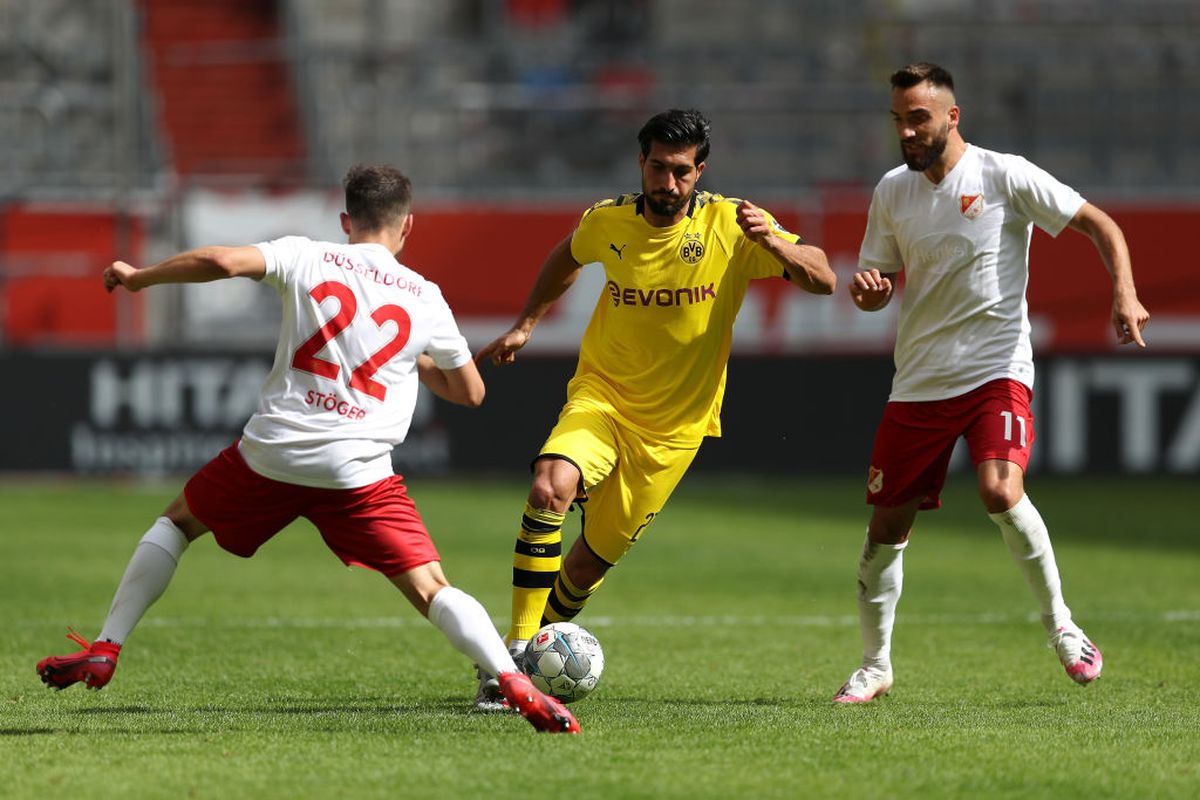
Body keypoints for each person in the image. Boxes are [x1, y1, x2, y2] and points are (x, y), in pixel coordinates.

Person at [36, 164, 579, 734]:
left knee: (176, 524)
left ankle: (107, 646)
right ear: (408, 225)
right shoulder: (424, 296)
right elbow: (471, 392)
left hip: (272, 454)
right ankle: (512, 679)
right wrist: (414, 360)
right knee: (431, 588)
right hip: (357, 472)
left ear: (346, 220)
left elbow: (221, 261)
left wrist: (139, 276)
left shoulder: (306, 255)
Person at [473, 108, 837, 708]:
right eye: (659, 168)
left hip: (673, 432)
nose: (668, 183)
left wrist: (771, 241)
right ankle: (510, 659)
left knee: (585, 568)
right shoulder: (607, 220)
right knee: (548, 486)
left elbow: (823, 278)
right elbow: (567, 256)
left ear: (701, 172)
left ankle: (533, 648)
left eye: (682, 172)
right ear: (641, 162)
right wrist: (526, 324)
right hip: (602, 397)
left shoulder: (732, 225)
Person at [833, 63, 1150, 703]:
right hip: (920, 380)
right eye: (898, 119)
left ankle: (1062, 626)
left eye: (918, 118)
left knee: (1000, 489)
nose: (906, 131)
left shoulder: (1004, 174)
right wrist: (870, 292)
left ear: (952, 116)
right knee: (887, 527)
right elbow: (877, 283)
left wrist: (1125, 292)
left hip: (995, 369)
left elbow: (1101, 224)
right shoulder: (892, 191)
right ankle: (875, 665)